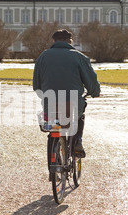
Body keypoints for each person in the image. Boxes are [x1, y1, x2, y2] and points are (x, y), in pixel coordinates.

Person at [33, 29, 100, 158]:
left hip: (50, 102)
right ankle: (78, 141)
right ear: (69, 41)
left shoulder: (43, 56)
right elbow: (91, 80)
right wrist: (94, 92)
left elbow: (36, 85)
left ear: (54, 41)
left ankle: (54, 150)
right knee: (80, 115)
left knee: (54, 122)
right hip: (73, 102)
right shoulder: (79, 57)